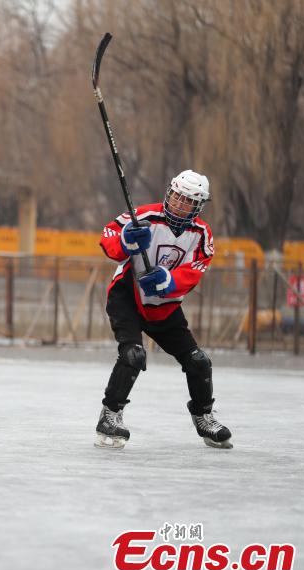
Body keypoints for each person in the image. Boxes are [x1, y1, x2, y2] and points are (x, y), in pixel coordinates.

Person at [95, 169, 232, 450]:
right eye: (177, 197)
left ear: (198, 206)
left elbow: (194, 271)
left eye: (188, 202)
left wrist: (169, 281)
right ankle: (110, 415)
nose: (179, 205)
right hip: (127, 297)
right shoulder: (144, 216)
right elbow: (108, 236)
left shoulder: (202, 235)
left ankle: (204, 415)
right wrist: (126, 242)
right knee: (133, 354)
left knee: (198, 361)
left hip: (164, 307)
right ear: (169, 193)